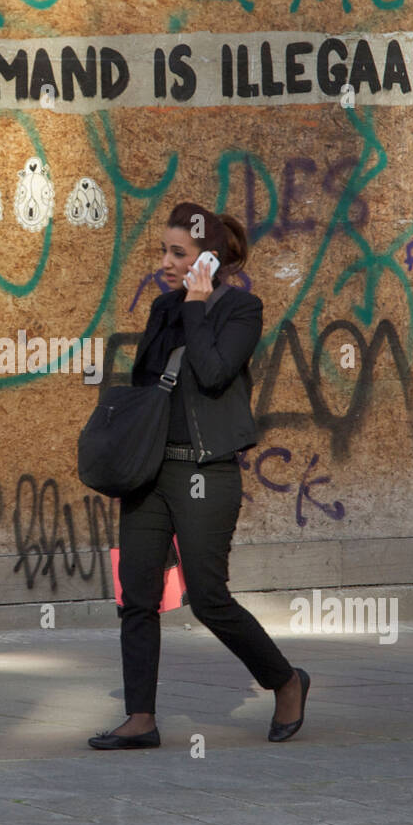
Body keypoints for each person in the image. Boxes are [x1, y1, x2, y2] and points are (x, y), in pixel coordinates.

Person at [88, 202, 310, 749]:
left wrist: (196, 304)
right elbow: (149, 385)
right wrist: (180, 305)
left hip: (206, 473)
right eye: (163, 251)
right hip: (151, 474)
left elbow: (212, 374)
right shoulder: (163, 307)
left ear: (208, 260)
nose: (164, 261)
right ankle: (140, 718)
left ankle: (284, 680)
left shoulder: (242, 309)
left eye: (177, 253)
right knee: (136, 595)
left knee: (209, 597)